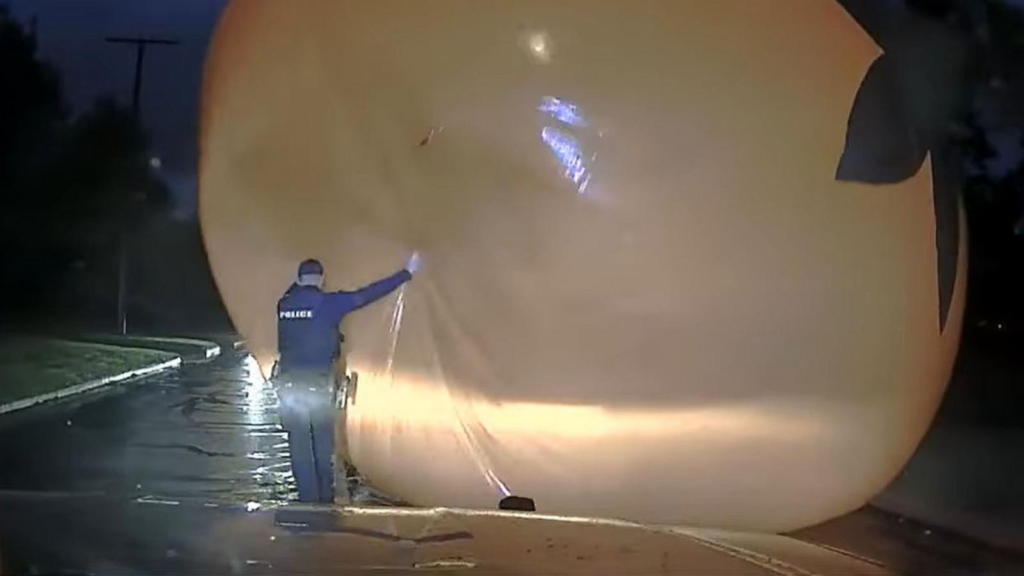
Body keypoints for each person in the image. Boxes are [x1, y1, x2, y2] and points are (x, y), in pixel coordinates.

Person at [275, 254, 420, 503]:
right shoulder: (329, 304)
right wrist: (405, 273)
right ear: (321, 279)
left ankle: (306, 501)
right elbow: (368, 294)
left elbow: (295, 294)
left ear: (298, 279)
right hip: (318, 384)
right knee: (322, 443)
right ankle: (324, 500)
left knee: (299, 446)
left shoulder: (283, 305)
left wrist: (297, 284)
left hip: (289, 385)